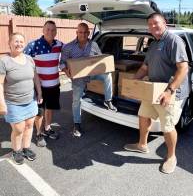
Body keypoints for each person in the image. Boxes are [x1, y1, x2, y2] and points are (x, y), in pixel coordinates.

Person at [123, 12, 189, 174]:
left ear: (164, 23)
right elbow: (145, 68)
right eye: (150, 24)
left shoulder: (174, 41)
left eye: (156, 23)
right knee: (143, 115)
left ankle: (171, 156)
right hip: (153, 90)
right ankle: (142, 145)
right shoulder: (153, 44)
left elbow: (183, 68)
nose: (153, 27)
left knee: (167, 126)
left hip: (170, 92)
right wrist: (133, 84)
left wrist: (169, 91)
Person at [60, 22, 117, 138]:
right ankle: (77, 124)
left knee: (107, 75)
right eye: (81, 32)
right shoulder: (68, 47)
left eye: (86, 32)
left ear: (89, 33)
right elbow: (61, 63)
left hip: (92, 74)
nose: (83, 34)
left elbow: (100, 58)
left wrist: (98, 63)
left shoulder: (94, 44)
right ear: (76, 32)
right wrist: (66, 71)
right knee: (76, 101)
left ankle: (108, 100)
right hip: (78, 78)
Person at [0, 33, 42, 165]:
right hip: (13, 102)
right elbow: (0, 84)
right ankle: (16, 150)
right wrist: (1, 103)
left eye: (21, 41)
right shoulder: (4, 61)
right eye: (16, 41)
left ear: (25, 44)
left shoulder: (29, 59)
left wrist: (39, 93)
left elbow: (35, 78)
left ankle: (26, 148)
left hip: (30, 100)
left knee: (29, 126)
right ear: (10, 43)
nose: (19, 44)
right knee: (18, 129)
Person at [24, 21, 63, 147]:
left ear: (56, 31)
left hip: (54, 85)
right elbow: (22, 60)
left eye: (53, 30)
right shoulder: (33, 45)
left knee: (50, 108)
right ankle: (39, 133)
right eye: (48, 29)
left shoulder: (59, 44)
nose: (50, 32)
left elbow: (70, 52)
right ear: (43, 30)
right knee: (39, 112)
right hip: (39, 87)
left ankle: (47, 128)